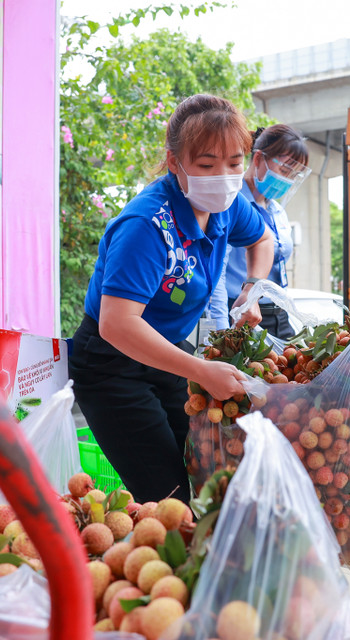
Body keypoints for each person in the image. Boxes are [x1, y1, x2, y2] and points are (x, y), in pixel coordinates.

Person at [68, 94, 274, 503]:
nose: (224, 176)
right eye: (206, 164)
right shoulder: (146, 225)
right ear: (175, 162)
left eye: (235, 163)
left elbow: (264, 239)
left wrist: (252, 288)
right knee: (170, 499)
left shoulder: (227, 207)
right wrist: (200, 369)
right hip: (112, 364)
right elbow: (116, 323)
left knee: (206, 471)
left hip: (166, 352)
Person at [208, 124, 311, 339]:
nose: (287, 181)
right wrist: (220, 326)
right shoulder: (231, 204)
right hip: (239, 309)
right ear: (257, 160)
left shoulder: (277, 211)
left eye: (295, 176)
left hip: (277, 312)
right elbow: (217, 270)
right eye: (285, 171)